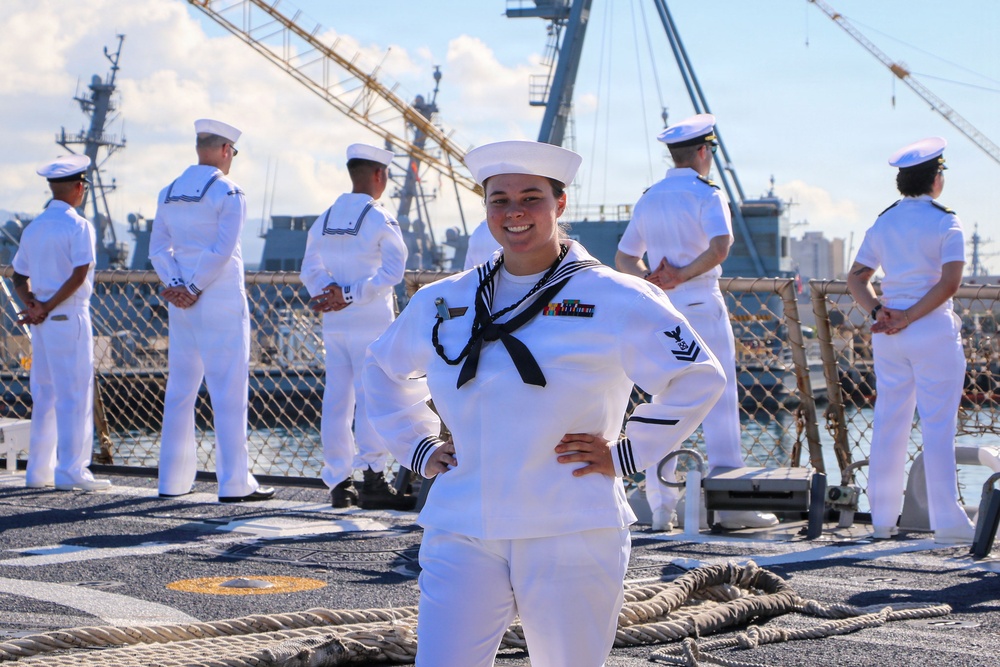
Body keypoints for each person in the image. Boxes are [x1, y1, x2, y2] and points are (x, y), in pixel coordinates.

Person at [363, 140, 725, 666]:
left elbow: (697, 376)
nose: (514, 212)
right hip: (463, 524)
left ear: (560, 204)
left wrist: (627, 453)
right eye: (499, 199)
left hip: (570, 525)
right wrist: (417, 447)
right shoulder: (446, 299)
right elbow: (382, 368)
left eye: (531, 197)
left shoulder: (616, 296)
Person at [615, 113, 777, 532]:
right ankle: (728, 507)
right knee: (719, 403)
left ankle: (659, 506)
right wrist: (682, 275)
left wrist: (653, 281)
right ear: (704, 152)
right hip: (701, 301)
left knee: (665, 398)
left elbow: (624, 258)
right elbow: (721, 246)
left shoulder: (649, 198)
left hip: (662, 309)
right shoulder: (707, 193)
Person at [847, 136, 975, 545]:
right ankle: (949, 524)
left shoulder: (884, 221)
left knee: (889, 422)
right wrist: (909, 316)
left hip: (887, 335)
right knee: (938, 427)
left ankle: (883, 518)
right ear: (936, 179)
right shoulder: (945, 221)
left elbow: (856, 277)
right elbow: (950, 282)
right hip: (930, 331)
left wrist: (878, 312)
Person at [149, 118, 273, 503]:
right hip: (217, 300)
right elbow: (223, 248)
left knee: (181, 389)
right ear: (224, 150)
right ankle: (234, 482)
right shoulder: (229, 192)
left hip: (181, 306)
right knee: (228, 391)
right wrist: (195, 286)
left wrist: (177, 284)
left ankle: (171, 481)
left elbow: (157, 249)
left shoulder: (168, 192)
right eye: (232, 153)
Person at [300, 143, 413, 510]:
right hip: (371, 320)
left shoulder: (327, 216)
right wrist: (351, 293)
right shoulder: (380, 218)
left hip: (335, 322)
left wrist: (328, 294)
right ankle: (373, 479)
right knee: (371, 398)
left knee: (337, 399)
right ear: (379, 175)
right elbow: (393, 272)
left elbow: (309, 267)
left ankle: (338, 482)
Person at [12, 155, 111, 492]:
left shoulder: (33, 227)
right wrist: (50, 305)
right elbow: (80, 272)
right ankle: (71, 470)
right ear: (79, 188)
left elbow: (17, 276)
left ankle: (38, 470)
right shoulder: (79, 226)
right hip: (68, 317)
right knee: (74, 394)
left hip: (39, 324)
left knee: (44, 394)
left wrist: (33, 305)